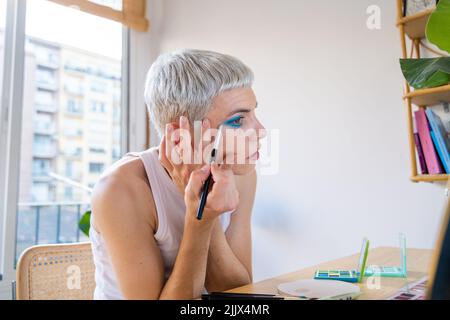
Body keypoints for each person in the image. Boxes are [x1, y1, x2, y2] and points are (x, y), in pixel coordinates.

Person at [89, 49, 266, 299]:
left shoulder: (241, 175)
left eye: (254, 114)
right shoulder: (121, 189)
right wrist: (200, 218)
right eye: (238, 121)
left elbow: (237, 294)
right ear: (180, 134)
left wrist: (207, 207)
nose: (261, 131)